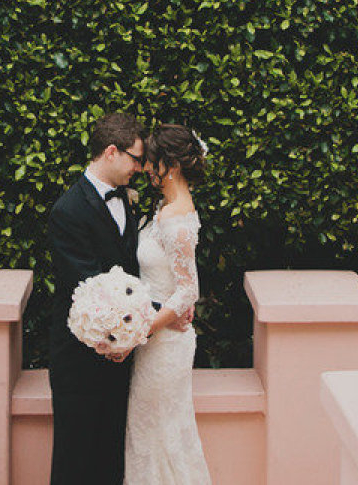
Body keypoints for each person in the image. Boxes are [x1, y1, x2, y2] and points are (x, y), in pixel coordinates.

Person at [47, 112, 149, 485]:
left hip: (120, 356)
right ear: (111, 152)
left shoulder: (127, 199)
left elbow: (131, 272)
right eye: (136, 159)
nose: (140, 168)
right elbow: (88, 285)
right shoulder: (68, 210)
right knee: (76, 459)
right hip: (79, 358)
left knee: (110, 456)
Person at [124, 123, 212, 485]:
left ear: (171, 165)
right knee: (150, 433)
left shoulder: (176, 221)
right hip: (157, 338)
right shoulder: (166, 208)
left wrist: (142, 330)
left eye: (152, 160)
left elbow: (188, 291)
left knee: (160, 434)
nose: (146, 167)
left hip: (164, 345)